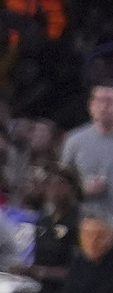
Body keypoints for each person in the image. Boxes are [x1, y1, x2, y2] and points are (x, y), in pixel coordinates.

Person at [60, 83, 113, 219]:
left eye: (110, 101)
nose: (104, 107)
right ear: (91, 105)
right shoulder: (74, 141)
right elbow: (62, 184)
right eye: (99, 101)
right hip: (84, 221)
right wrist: (82, 191)